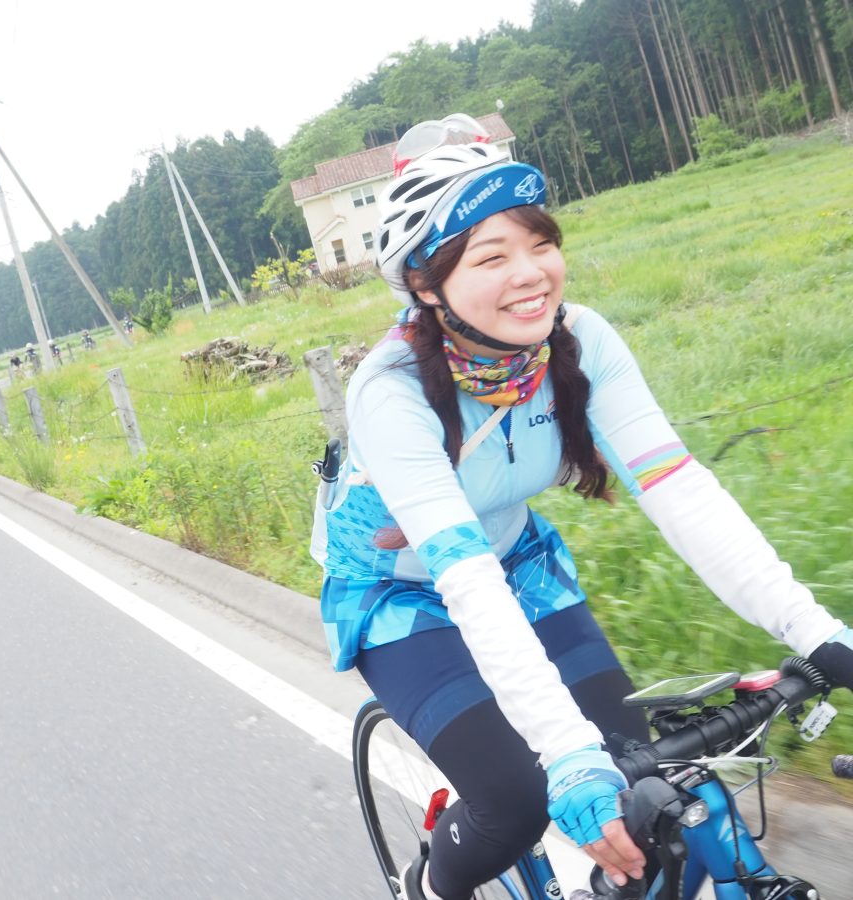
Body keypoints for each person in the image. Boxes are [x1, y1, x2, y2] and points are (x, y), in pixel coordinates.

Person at [309, 114, 853, 900]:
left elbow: (680, 490)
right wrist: (565, 756)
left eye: (541, 244)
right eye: (491, 256)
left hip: (517, 564)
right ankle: (430, 886)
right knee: (515, 800)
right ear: (426, 285)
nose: (531, 273)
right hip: (402, 596)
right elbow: (464, 577)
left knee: (643, 794)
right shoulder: (391, 394)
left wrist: (816, 632)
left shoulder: (581, 340)